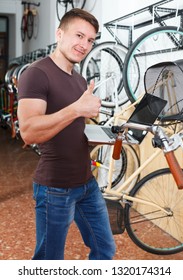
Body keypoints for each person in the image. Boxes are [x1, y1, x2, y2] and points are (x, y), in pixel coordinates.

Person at [17, 8, 116, 260]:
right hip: (55, 188)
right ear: (59, 34)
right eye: (79, 36)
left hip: (87, 184)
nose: (84, 45)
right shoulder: (36, 74)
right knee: (49, 262)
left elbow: (72, 129)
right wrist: (76, 109)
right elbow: (28, 132)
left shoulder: (79, 80)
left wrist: (106, 134)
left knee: (105, 250)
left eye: (90, 40)